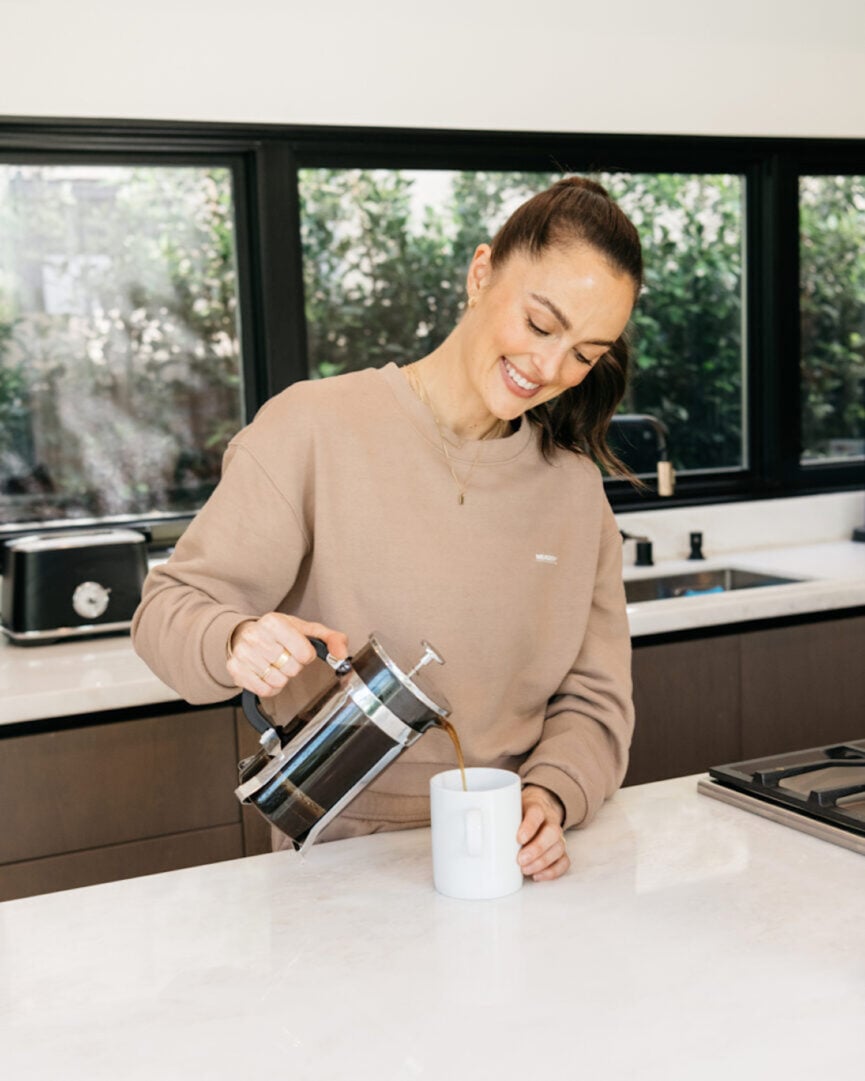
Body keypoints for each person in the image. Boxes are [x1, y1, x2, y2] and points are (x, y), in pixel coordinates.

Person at [132, 176, 642, 883]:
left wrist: (550, 795)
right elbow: (168, 609)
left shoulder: (574, 491)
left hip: (506, 856)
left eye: (585, 353)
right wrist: (234, 639)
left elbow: (596, 698)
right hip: (343, 859)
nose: (551, 368)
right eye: (539, 324)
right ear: (480, 272)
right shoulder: (311, 427)